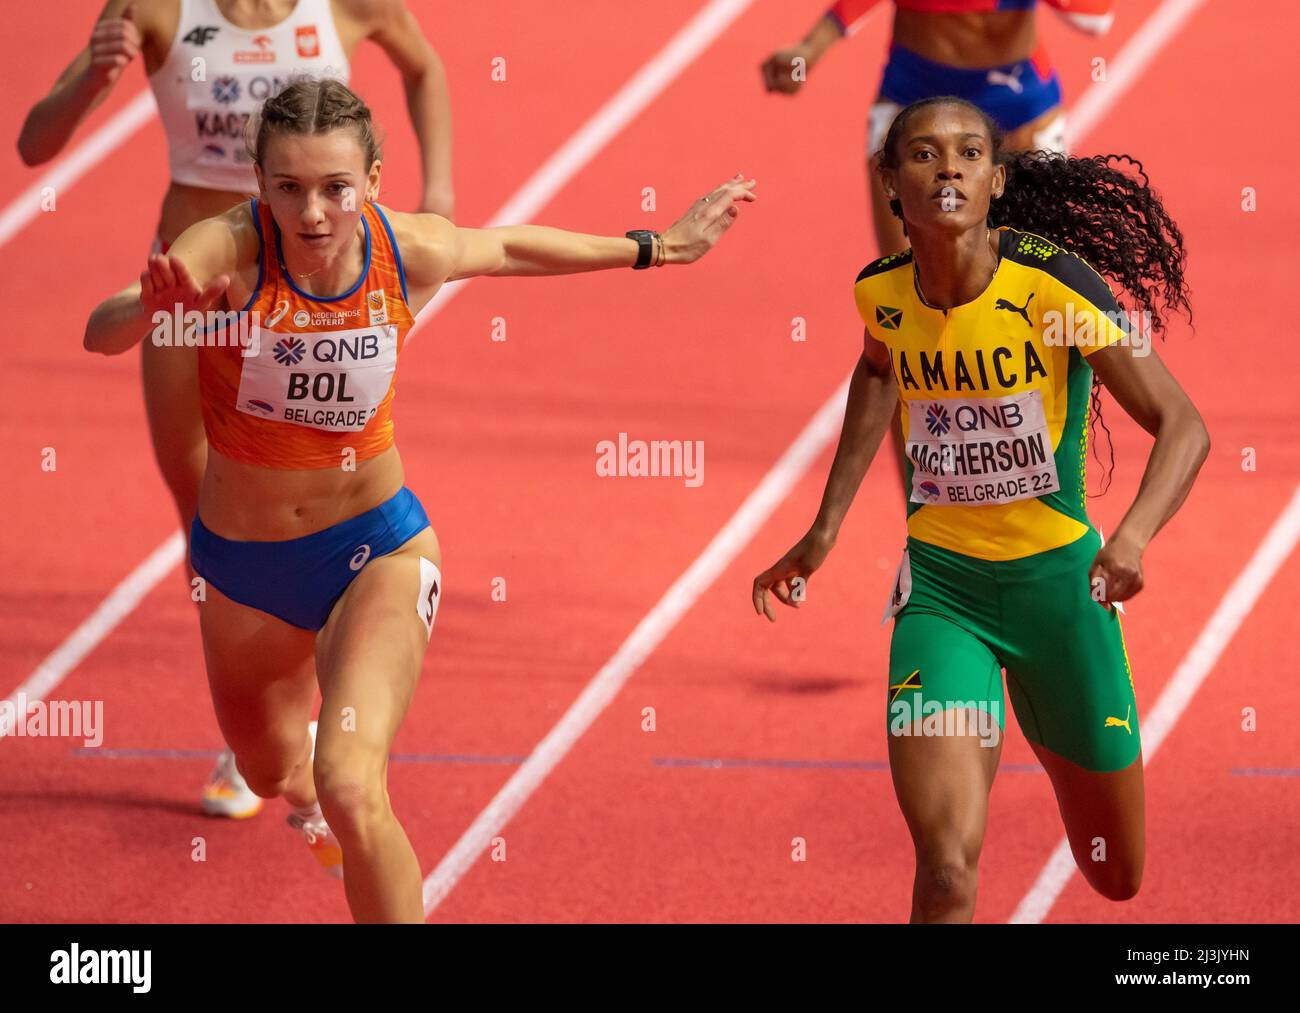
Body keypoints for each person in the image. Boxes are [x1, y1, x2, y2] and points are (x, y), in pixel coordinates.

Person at [84, 78, 757, 922]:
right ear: (258, 184)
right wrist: (151, 305)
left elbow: (509, 248)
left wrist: (659, 246)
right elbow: (98, 332)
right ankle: (307, 806)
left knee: (351, 779)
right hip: (244, 565)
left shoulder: (406, 247)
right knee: (273, 772)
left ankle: (343, 814)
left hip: (376, 547)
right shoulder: (225, 248)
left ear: (373, 180)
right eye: (288, 187)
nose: (315, 211)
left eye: (336, 187)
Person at [751, 96, 1207, 923]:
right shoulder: (881, 295)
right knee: (948, 868)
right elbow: (879, 371)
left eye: (967, 154)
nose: (948, 167)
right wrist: (824, 530)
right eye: (923, 155)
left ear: (997, 181)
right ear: (892, 185)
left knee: (1116, 871)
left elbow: (1184, 425)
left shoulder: (1053, 287)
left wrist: (1133, 537)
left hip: (1064, 595)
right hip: (944, 596)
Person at [20, 0, 455, 819]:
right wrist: (93, 78)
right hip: (195, 293)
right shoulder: (152, 9)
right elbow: (32, 144)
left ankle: (336, 726)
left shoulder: (347, 7)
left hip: (312, 285)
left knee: (325, 494)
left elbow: (423, 65)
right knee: (208, 515)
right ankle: (261, 732)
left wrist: (438, 195)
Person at [761, 0, 1115, 256]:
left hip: (1017, 103)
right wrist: (808, 50)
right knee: (898, 271)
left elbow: (1097, 19)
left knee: (1044, 264)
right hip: (913, 97)